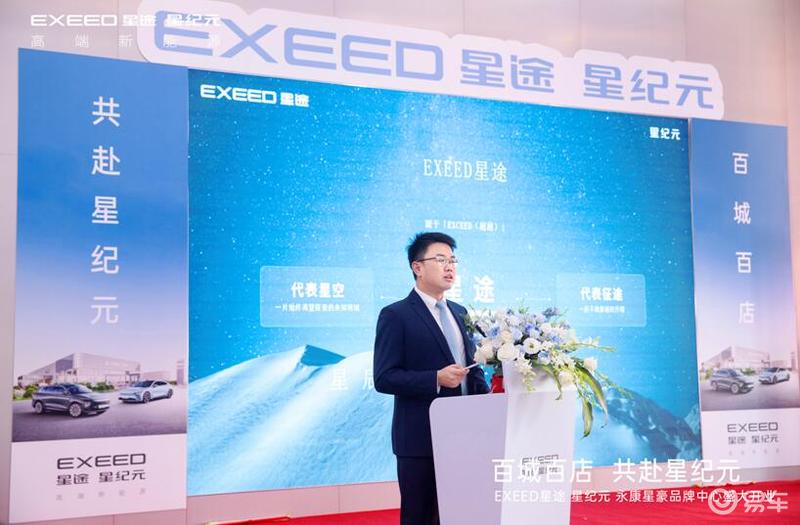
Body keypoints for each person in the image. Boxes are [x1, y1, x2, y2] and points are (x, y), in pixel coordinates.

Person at [373, 232, 489, 525]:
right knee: (421, 517)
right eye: (440, 259)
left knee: (461, 515)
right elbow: (384, 377)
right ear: (417, 267)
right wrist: (435, 378)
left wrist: (490, 397)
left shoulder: (461, 313)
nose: (449, 267)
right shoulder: (396, 315)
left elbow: (472, 367)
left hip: (465, 436)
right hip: (420, 439)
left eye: (453, 260)